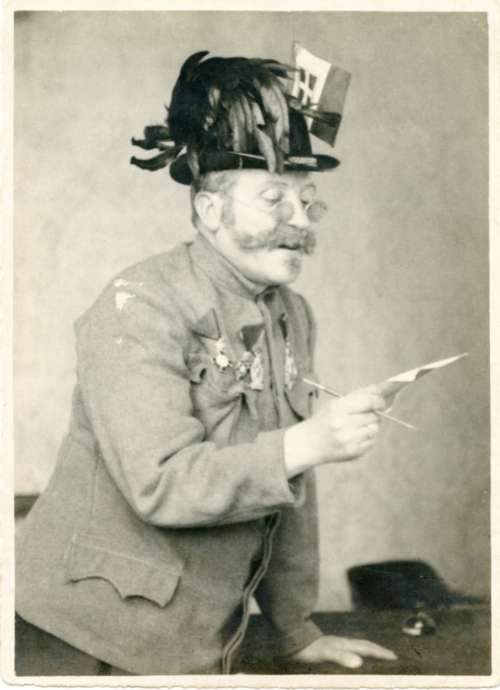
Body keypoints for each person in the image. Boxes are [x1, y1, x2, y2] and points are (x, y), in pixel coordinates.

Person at [15, 48, 396, 675]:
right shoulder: (140, 305)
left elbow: (287, 490)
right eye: (274, 199)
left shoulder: (291, 313)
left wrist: (295, 630)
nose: (299, 222)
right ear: (209, 210)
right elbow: (160, 484)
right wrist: (305, 444)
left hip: (196, 643)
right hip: (81, 641)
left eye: (307, 201)